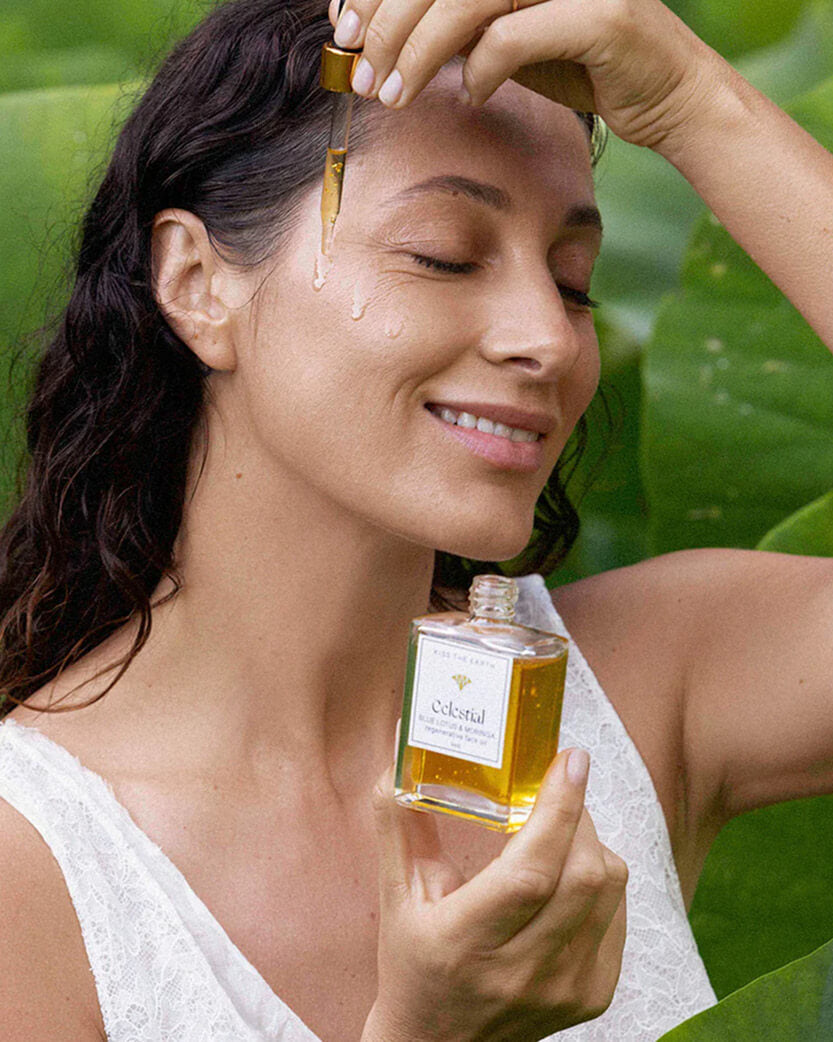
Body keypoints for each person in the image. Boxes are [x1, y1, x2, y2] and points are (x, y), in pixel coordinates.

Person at [0, 0, 831, 1038]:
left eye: (574, 285)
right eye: (442, 254)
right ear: (197, 281)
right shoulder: (29, 865)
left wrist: (690, 100)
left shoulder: (645, 682)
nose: (545, 339)